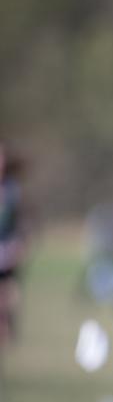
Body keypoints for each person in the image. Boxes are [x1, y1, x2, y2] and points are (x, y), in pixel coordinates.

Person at [0, 144, 28, 355]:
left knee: (10, 295)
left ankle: (7, 330)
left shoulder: (12, 190)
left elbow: (20, 221)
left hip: (6, 250)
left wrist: (19, 243)